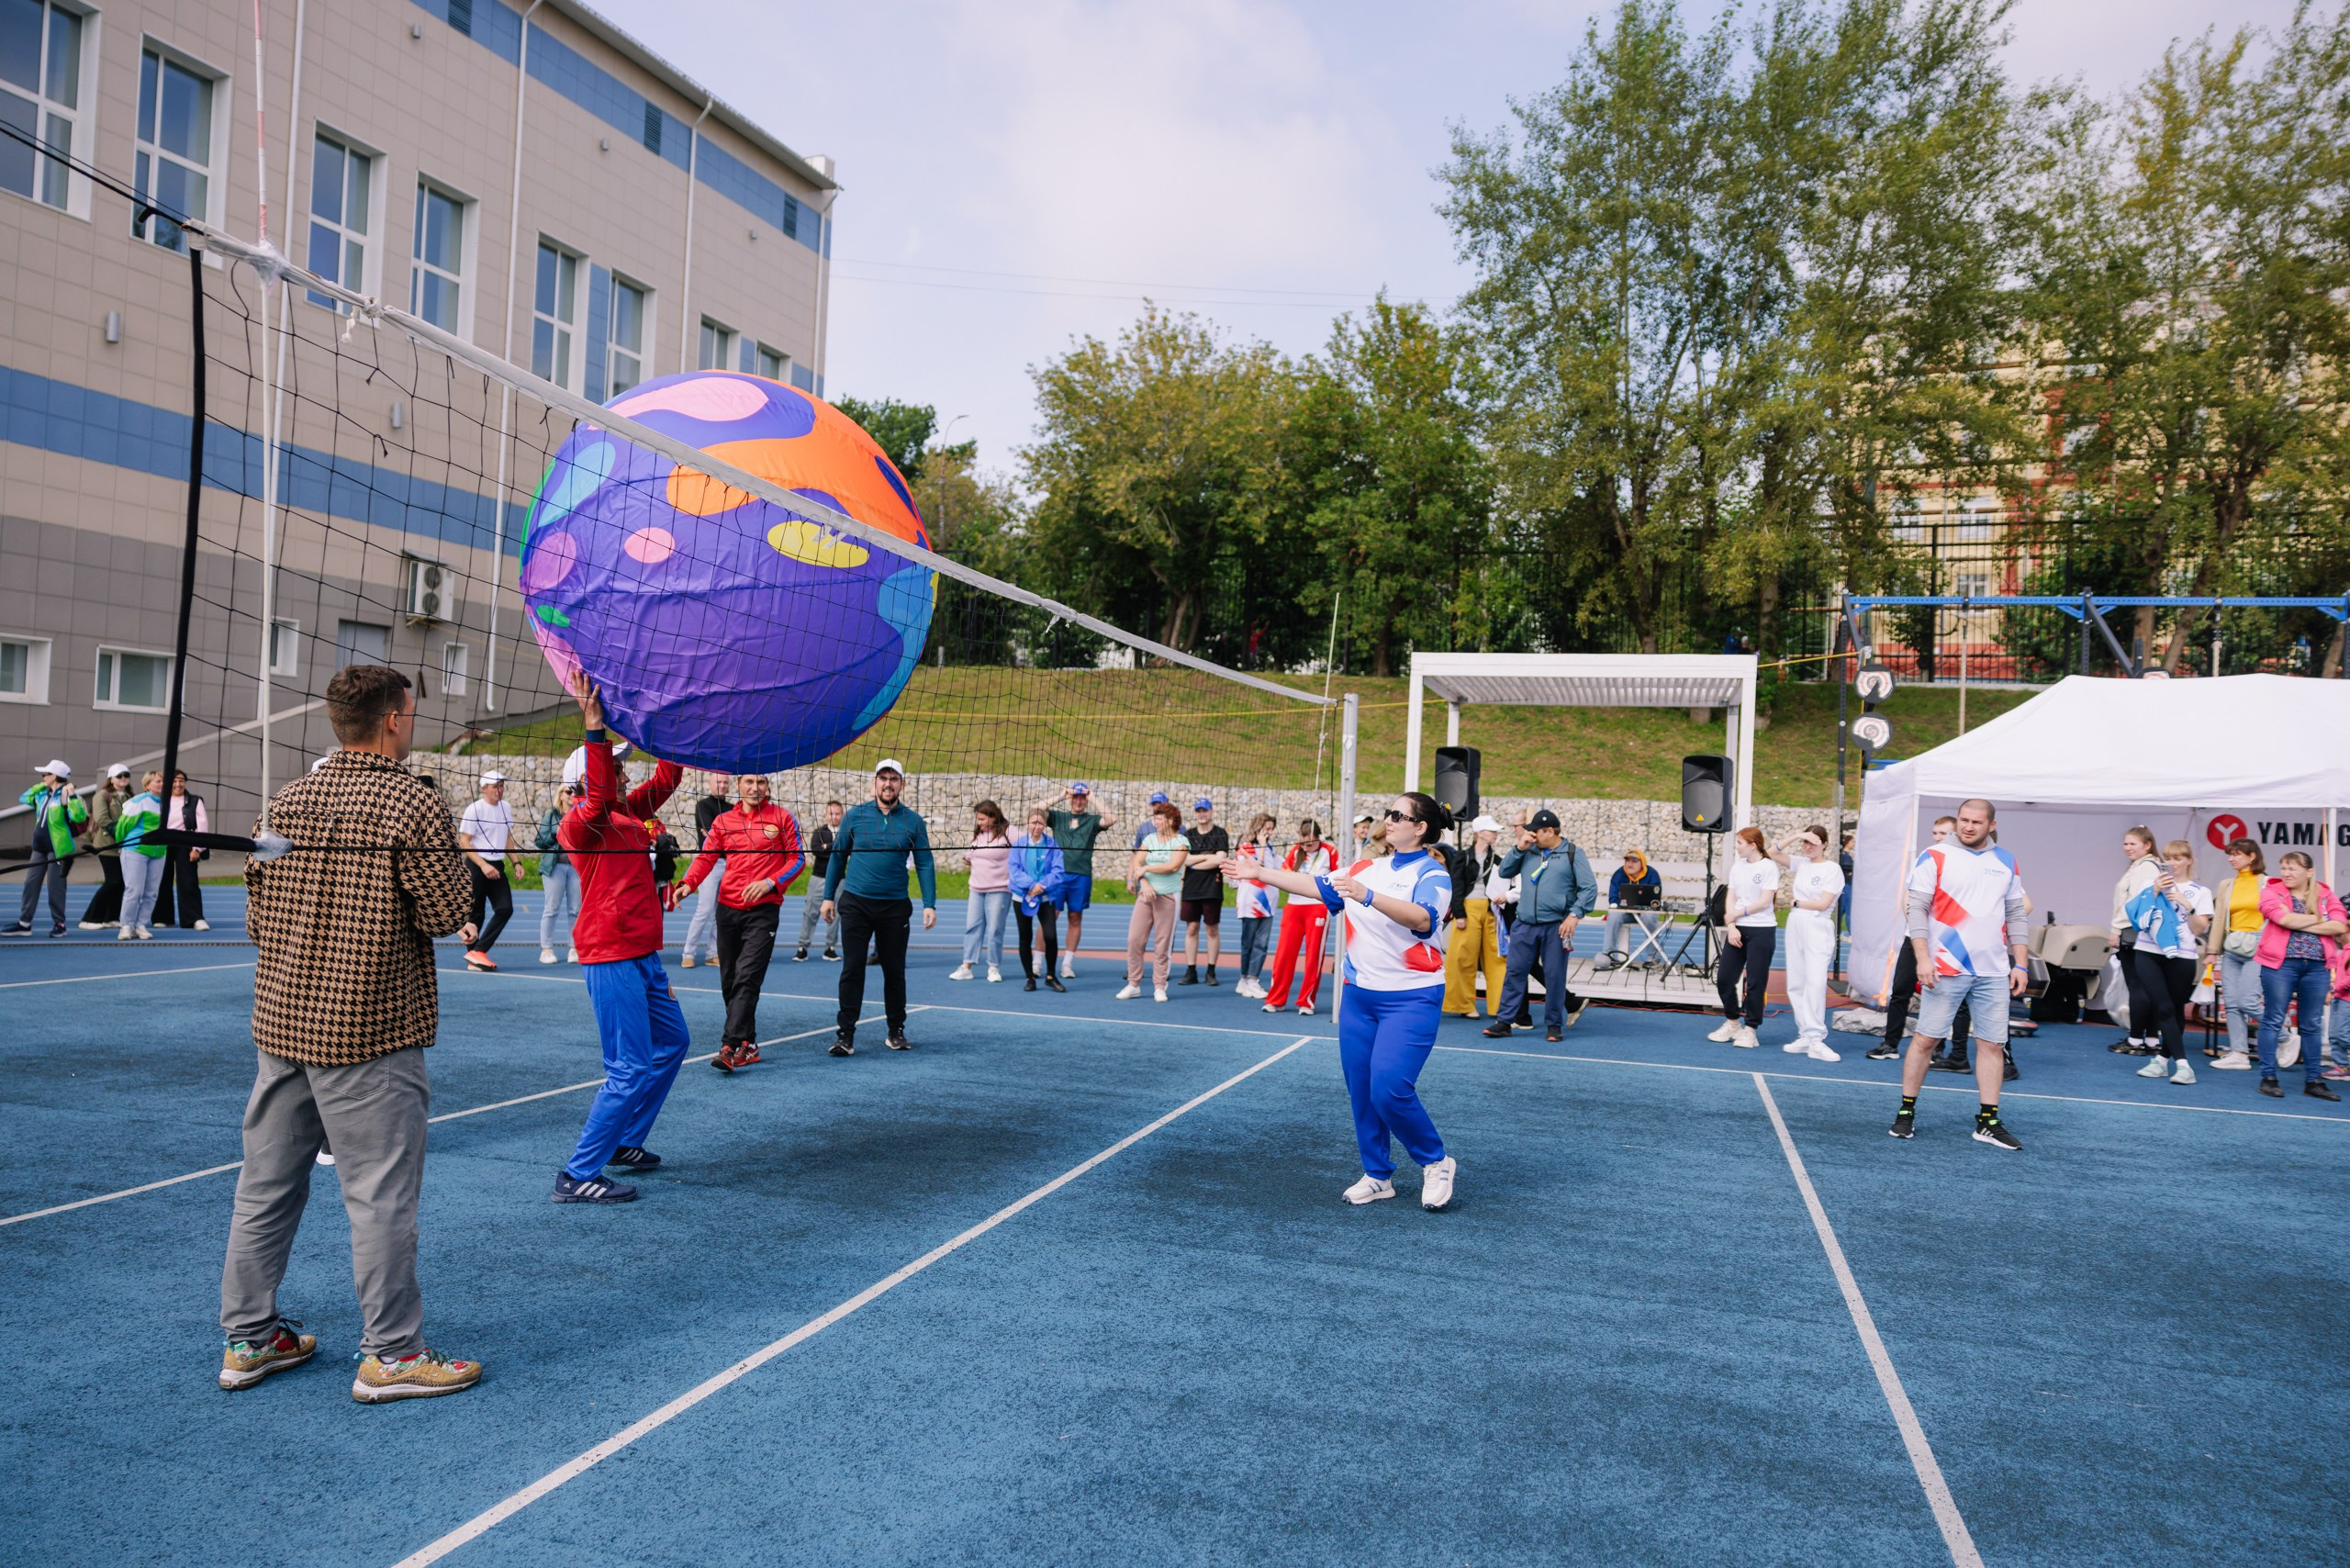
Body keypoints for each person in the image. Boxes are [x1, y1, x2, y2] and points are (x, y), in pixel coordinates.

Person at [218, 663, 483, 1401]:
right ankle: (393, 1356)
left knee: (264, 1189)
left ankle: (249, 1338)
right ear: (394, 719)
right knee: (380, 1196)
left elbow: (258, 915)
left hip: (282, 1019)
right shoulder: (413, 802)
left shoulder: (289, 798)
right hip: (369, 1027)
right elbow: (439, 915)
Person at [1226, 792, 1459, 1211]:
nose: (1387, 820)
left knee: (1390, 1088)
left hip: (1410, 997)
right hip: (1359, 996)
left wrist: (1366, 895)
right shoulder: (1366, 866)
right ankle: (1377, 1174)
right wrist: (1258, 871)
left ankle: (1436, 1161)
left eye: (1397, 815)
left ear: (1420, 827)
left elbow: (1423, 919)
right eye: (1388, 813)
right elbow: (1314, 885)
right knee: (1362, 1091)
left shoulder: (1433, 874)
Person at [555, 675, 688, 1200]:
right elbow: (596, 799)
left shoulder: (626, 814)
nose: (620, 769)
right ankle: (578, 1174)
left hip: (642, 952)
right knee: (629, 1067)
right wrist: (594, 732)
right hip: (609, 952)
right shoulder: (579, 824)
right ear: (590, 777)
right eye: (612, 766)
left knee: (673, 1042)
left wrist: (671, 735)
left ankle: (625, 1140)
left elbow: (666, 780)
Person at [1889, 798, 2031, 1149]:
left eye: (1976, 822)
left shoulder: (2006, 861)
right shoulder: (1935, 855)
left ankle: (1987, 1121)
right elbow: (1916, 908)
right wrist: (1922, 957)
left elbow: (2016, 914)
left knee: (1992, 1044)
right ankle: (1906, 1112)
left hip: (1994, 971)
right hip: (1945, 966)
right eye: (1963, 820)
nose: (1968, 827)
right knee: (1926, 1039)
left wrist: (2021, 963)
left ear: (1991, 825)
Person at [678, 772, 803, 1072]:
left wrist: (771, 882)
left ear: (768, 787)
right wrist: (688, 883)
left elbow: (797, 859)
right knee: (730, 980)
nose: (754, 788)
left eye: (760, 782)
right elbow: (706, 857)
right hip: (728, 908)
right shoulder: (723, 821)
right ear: (738, 786)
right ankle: (749, 1043)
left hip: (763, 910)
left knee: (747, 977)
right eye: (748, 782)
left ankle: (729, 1046)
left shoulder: (782, 817)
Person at [822, 759, 937, 1055]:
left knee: (895, 971)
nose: (888, 784)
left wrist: (929, 903)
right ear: (874, 783)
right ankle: (845, 1035)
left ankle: (895, 1031)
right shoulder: (855, 816)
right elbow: (837, 857)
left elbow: (924, 863)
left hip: (895, 907)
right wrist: (827, 897)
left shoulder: (913, 821)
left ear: (902, 784)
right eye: (883, 778)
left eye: (894, 779)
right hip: (857, 903)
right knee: (852, 968)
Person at [1484, 809, 1595, 1042]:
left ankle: (1553, 1025)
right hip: (1524, 924)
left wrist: (1574, 915)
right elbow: (1504, 871)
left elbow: (1589, 888)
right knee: (1514, 973)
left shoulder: (1573, 853)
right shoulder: (1528, 851)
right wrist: (1519, 848)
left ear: (1550, 831)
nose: (1531, 834)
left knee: (1554, 975)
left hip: (1556, 925)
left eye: (1536, 831)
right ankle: (1504, 1022)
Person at [1866, 816, 1972, 1062]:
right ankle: (1890, 1044)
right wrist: (1917, 929)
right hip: (1915, 938)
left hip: (1947, 943)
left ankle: (1941, 1050)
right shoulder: (1925, 858)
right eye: (1934, 832)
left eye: (1943, 833)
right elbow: (1908, 897)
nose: (1936, 837)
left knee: (1950, 997)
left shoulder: (1963, 865)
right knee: (1900, 990)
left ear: (1956, 835)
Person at [2253, 849, 2346, 1102]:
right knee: (2274, 1019)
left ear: (2309, 872)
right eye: (2283, 868)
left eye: (2292, 868)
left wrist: (2300, 919)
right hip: (2281, 964)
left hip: (2317, 967)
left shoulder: (2326, 894)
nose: (2286, 873)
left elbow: (2340, 925)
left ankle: (2313, 1080)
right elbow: (2281, 919)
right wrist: (2318, 919)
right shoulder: (2271, 891)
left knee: (2312, 1024)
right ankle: (2268, 1077)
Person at [2124, 839, 2211, 1086]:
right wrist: (2153, 891)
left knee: (2174, 1009)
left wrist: (2187, 903)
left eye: (2178, 858)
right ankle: (2183, 1065)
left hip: (2183, 954)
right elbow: (2136, 917)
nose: (2172, 863)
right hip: (2147, 950)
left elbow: (2198, 928)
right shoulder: (2147, 884)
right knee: (2162, 1007)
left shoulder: (2200, 891)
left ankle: (2162, 1061)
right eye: (2168, 858)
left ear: (2189, 861)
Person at [1707, 826, 1785, 1049]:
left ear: (1753, 845)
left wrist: (1737, 914)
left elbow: (1764, 902)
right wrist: (1731, 926)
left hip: (1762, 930)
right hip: (1737, 929)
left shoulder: (1769, 867)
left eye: (1740, 843)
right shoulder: (1737, 867)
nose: (1737, 847)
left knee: (1755, 982)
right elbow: (1730, 898)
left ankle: (1751, 1030)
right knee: (1724, 978)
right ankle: (1733, 1023)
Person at [1036, 782, 1117, 980]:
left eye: (1082, 797)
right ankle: (1037, 962)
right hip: (1057, 875)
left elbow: (1112, 819)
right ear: (1071, 798)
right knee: (1049, 917)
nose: (1079, 801)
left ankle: (1067, 964)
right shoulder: (1059, 817)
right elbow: (1037, 809)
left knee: (1075, 918)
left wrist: (1093, 797)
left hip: (1080, 876)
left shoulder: (1092, 820)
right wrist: (1062, 795)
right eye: (1076, 797)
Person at [1781, 825, 1844, 1062]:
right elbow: (1772, 852)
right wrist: (1797, 834)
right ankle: (1805, 1035)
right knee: (1796, 982)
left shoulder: (1832, 869)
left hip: (1817, 924)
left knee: (1816, 981)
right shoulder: (1801, 863)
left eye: (1813, 842)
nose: (1808, 847)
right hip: (1796, 924)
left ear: (1825, 844)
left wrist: (1798, 903)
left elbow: (1823, 903)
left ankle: (1816, 1038)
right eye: (1805, 843)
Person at [1262, 820, 1338, 1014]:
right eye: (1304, 842)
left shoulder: (1329, 851)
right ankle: (1276, 999)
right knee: (1284, 955)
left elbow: (1338, 876)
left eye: (1311, 842)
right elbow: (1284, 875)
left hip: (1317, 907)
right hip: (1294, 907)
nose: (1307, 846)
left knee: (1313, 956)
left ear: (1318, 838)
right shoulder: (1296, 851)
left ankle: (1306, 1001)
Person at [1118, 801, 1190, 1002]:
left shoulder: (1181, 841)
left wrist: (1147, 870)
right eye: (1155, 818)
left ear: (1171, 820)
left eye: (1159, 818)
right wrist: (1143, 882)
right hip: (1146, 896)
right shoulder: (1149, 839)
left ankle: (1159, 986)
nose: (1155, 821)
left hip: (1168, 897)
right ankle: (1134, 984)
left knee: (1162, 944)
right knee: (1134, 940)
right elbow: (1136, 862)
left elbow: (1173, 866)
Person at [1443, 815, 1512, 1019]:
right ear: (1480, 833)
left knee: (1498, 958)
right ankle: (1463, 1005)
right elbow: (1456, 887)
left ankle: (1500, 1006)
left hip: (1492, 911)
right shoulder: (1462, 857)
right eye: (1492, 831)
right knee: (1462, 959)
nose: (1496, 834)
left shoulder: (1498, 860)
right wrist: (1460, 914)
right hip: (1468, 909)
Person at [7, 759, 85, 936]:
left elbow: (79, 817)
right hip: (39, 847)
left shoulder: (67, 796)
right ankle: (25, 923)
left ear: (54, 776)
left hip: (59, 849)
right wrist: (41, 786)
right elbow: (24, 797)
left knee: (55, 887)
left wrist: (71, 795)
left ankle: (60, 924)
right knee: (30, 884)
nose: (42, 778)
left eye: (45, 775)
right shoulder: (42, 795)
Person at [2208, 837, 2266, 1070]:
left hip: (2259, 943)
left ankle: (2286, 1037)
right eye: (2230, 855)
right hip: (2233, 943)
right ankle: (2239, 1053)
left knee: (2247, 1001)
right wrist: (2212, 951)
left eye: (2236, 854)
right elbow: (2219, 918)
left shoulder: (2269, 883)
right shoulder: (2226, 884)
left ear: (2252, 856)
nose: (2231, 859)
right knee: (2231, 1003)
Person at [2106, 826, 2165, 1056]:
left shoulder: (2145, 868)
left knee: (2138, 987)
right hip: (2142, 933)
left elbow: (2134, 903)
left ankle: (2136, 1040)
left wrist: (2116, 929)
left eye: (2133, 844)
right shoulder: (2146, 866)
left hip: (2133, 932)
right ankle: (2149, 1039)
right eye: (2125, 844)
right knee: (2145, 987)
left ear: (2147, 845)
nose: (2128, 848)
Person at [457, 772, 514, 971]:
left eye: (502, 786)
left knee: (505, 908)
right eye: (495, 786)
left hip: (496, 864)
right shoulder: (475, 809)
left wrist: (517, 863)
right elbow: (464, 841)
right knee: (476, 913)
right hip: (476, 864)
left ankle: (477, 951)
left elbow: (507, 837)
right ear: (484, 788)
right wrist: (482, 864)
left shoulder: (506, 807)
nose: (500, 790)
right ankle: (474, 958)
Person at [951, 800, 1013, 983]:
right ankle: (967, 966)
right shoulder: (979, 835)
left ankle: (993, 967)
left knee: (995, 930)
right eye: (977, 819)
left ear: (993, 817)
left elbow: (1026, 844)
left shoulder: (1008, 833)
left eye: (983, 819)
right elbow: (974, 853)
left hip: (999, 889)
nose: (979, 823)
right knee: (972, 927)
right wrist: (968, 857)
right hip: (976, 889)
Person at [1011, 806, 1066, 991]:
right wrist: (1030, 885)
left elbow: (1058, 872)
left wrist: (1041, 886)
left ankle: (1051, 976)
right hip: (1022, 896)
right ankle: (1029, 978)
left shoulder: (1052, 845)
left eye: (1040, 823)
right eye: (1034, 822)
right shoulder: (1018, 845)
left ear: (1045, 825)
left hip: (1045, 897)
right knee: (1025, 937)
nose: (1037, 826)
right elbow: (1014, 870)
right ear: (1028, 823)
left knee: (1050, 936)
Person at [149, 770, 212, 931]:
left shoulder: (195, 801)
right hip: (164, 843)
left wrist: (197, 848)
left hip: (186, 843)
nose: (178, 784)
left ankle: (195, 918)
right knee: (162, 881)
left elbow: (202, 826)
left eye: (181, 781)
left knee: (189, 881)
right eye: (174, 781)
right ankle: (162, 917)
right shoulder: (159, 800)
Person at [1179, 798, 1231, 986]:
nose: (1202, 814)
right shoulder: (1188, 835)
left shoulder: (1220, 834)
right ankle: (1191, 970)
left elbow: (1220, 860)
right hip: (1191, 888)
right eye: (1199, 811)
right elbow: (1184, 860)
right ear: (1195, 813)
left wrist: (1196, 861)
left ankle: (1211, 970)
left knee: (1212, 929)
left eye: (1205, 810)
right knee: (1191, 928)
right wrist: (1208, 857)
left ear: (1211, 812)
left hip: (1211, 888)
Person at [680, 777, 732, 969]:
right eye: (718, 782)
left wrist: (725, 836)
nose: (722, 785)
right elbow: (711, 833)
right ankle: (688, 953)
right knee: (705, 908)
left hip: (729, 862)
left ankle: (713, 953)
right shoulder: (703, 805)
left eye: (725, 782)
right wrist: (727, 836)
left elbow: (728, 834)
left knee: (722, 911)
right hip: (709, 862)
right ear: (710, 784)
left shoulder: (732, 808)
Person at [1232, 812, 1281, 999]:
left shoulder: (1270, 848)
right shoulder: (1246, 847)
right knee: (1248, 943)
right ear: (1258, 827)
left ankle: (1252, 979)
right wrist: (1261, 846)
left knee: (1262, 944)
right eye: (1266, 828)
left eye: (1271, 828)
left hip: (1268, 903)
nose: (1269, 832)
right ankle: (1244, 979)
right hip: (1251, 903)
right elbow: (1255, 868)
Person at [116, 770, 168, 940]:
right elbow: (123, 826)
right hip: (136, 850)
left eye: (163, 781)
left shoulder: (169, 804)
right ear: (147, 785)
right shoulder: (138, 802)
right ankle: (126, 925)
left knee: (151, 892)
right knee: (134, 890)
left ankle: (141, 924)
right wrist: (122, 845)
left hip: (159, 852)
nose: (161, 784)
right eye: (158, 781)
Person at [79, 763, 131, 929]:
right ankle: (90, 918)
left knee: (121, 882)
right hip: (107, 844)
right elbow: (101, 818)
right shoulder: (103, 795)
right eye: (119, 776)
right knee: (113, 881)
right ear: (111, 778)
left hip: (125, 845)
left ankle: (111, 917)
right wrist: (120, 832)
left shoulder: (131, 797)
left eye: (126, 775)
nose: (123, 778)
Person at [536, 778, 583, 964]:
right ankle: (546, 949)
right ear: (561, 795)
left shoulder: (580, 813)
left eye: (574, 792)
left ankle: (574, 948)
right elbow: (540, 841)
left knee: (576, 909)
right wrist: (558, 833)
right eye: (568, 792)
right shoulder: (552, 815)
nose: (572, 795)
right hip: (554, 866)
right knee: (551, 908)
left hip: (575, 867)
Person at [1596, 849, 1663, 969]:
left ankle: (1653, 958)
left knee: (1648, 916)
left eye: (1634, 861)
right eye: (1627, 860)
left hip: (1645, 913)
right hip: (1626, 914)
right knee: (1614, 915)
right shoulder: (1619, 874)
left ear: (1642, 863)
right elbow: (1613, 899)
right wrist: (1623, 906)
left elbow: (1655, 900)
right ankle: (1608, 955)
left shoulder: (1652, 874)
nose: (1630, 864)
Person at [796, 800, 845, 961]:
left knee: (835, 914)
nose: (834, 817)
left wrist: (827, 847)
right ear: (825, 814)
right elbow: (817, 851)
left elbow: (846, 852)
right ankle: (803, 947)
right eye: (831, 813)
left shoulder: (846, 833)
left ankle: (830, 948)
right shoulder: (819, 832)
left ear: (842, 815)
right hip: (818, 877)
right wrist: (834, 847)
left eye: (837, 813)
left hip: (839, 879)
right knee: (810, 912)